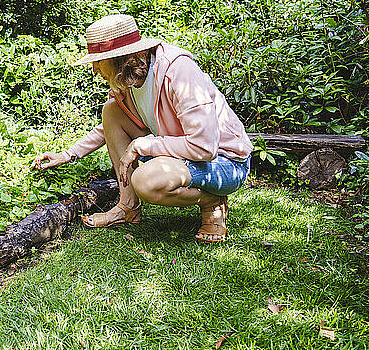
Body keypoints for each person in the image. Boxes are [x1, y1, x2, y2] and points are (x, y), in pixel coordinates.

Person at [33, 14, 253, 242]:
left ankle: (212, 202)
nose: (95, 69)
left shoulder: (178, 72)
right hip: (183, 155)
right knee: (111, 111)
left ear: (120, 58)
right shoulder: (129, 78)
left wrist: (144, 144)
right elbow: (109, 127)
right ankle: (127, 206)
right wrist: (69, 154)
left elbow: (205, 147)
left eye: (99, 60)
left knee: (146, 181)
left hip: (225, 162)